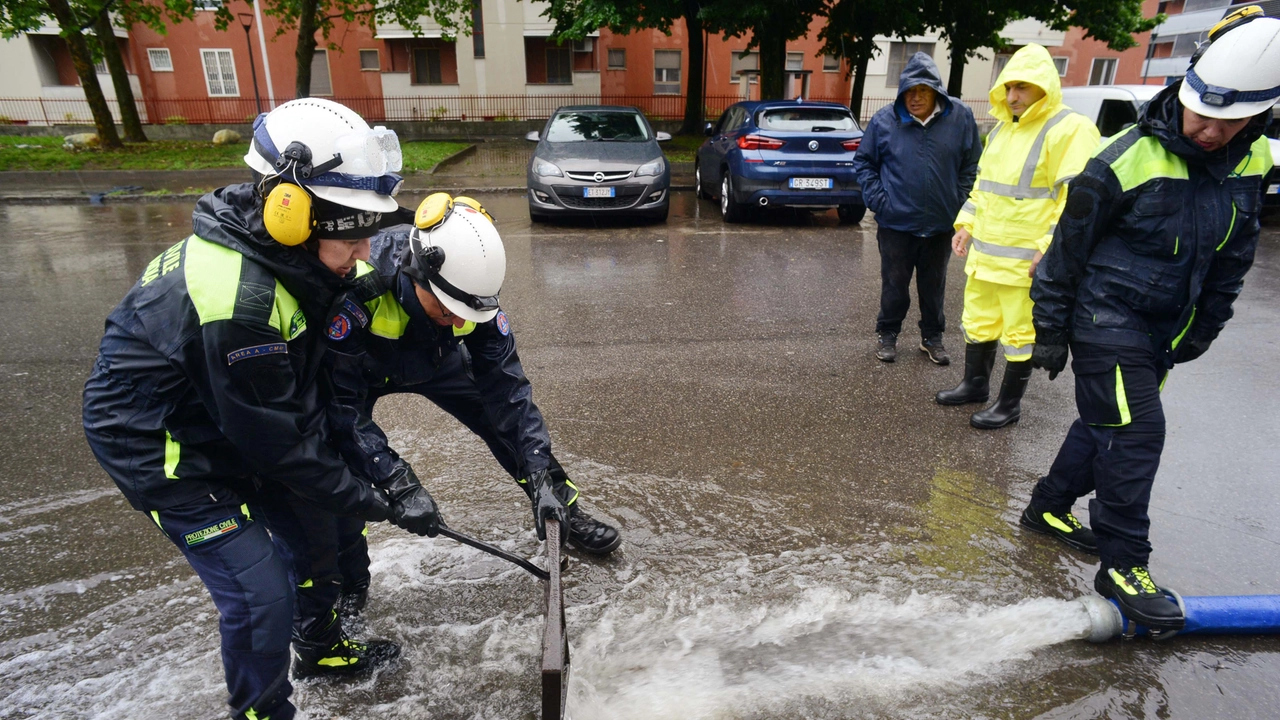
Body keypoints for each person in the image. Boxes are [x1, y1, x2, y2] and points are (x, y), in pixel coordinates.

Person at [82, 98, 443, 720]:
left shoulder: (292, 258)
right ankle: (262, 710)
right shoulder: (240, 300)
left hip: (235, 409)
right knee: (260, 592)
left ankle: (321, 649)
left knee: (315, 530)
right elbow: (275, 444)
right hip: (166, 444)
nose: (363, 252)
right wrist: (375, 501)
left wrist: (385, 478)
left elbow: (314, 396)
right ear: (293, 215)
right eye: (355, 236)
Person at [1020, 9, 1278, 631]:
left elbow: (1235, 253)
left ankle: (1048, 507)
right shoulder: (1124, 156)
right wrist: (1050, 330)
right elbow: (1065, 249)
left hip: (1166, 327)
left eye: (1228, 121)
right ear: (1185, 93)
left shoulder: (1256, 159)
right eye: (1200, 115)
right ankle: (1123, 564)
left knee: (1108, 420)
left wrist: (1205, 327)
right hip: (1105, 316)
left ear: (1260, 115)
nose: (1209, 131)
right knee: (1136, 433)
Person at [296, 192, 621, 624]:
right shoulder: (359, 288)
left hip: (436, 362)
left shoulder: (473, 290)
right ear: (418, 275)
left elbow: (510, 391)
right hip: (363, 369)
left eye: (465, 312)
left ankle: (564, 509)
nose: (457, 318)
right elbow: (342, 409)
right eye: (447, 308)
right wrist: (400, 482)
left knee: (504, 425)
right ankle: (350, 576)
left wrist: (539, 468)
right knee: (339, 455)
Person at [937, 44, 1100, 428]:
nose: (1012, 96)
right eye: (1009, 87)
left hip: (1026, 262)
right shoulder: (1001, 132)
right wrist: (966, 225)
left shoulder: (1069, 129)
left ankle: (1009, 404)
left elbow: (1075, 202)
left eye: (1023, 88)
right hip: (986, 258)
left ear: (1045, 87)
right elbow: (984, 189)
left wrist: (1049, 250)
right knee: (978, 321)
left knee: (1019, 331)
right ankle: (975, 385)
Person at [854, 51, 982, 365]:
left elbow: (973, 164)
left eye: (923, 91)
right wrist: (880, 202)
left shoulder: (961, 118)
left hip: (941, 222)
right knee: (895, 284)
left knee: (934, 285)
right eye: (910, 91)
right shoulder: (885, 120)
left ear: (936, 92)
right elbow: (864, 163)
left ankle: (932, 338)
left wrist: (958, 198)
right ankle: (888, 334)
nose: (915, 98)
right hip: (896, 223)